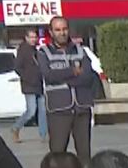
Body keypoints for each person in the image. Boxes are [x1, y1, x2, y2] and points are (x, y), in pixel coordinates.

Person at [38, 15, 97, 160]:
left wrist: (67, 80)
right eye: (57, 30)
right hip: (59, 109)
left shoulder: (80, 50)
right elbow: (49, 76)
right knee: (58, 155)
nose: (62, 33)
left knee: (85, 155)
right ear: (51, 32)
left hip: (81, 107)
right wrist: (72, 72)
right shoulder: (43, 52)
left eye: (64, 29)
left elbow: (88, 75)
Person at [12, 28, 45, 144]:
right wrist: (28, 78)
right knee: (31, 111)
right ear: (26, 38)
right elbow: (17, 67)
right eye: (31, 37)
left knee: (43, 110)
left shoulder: (35, 50)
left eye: (35, 37)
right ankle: (16, 127)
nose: (33, 39)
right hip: (29, 85)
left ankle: (44, 134)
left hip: (39, 84)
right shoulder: (23, 50)